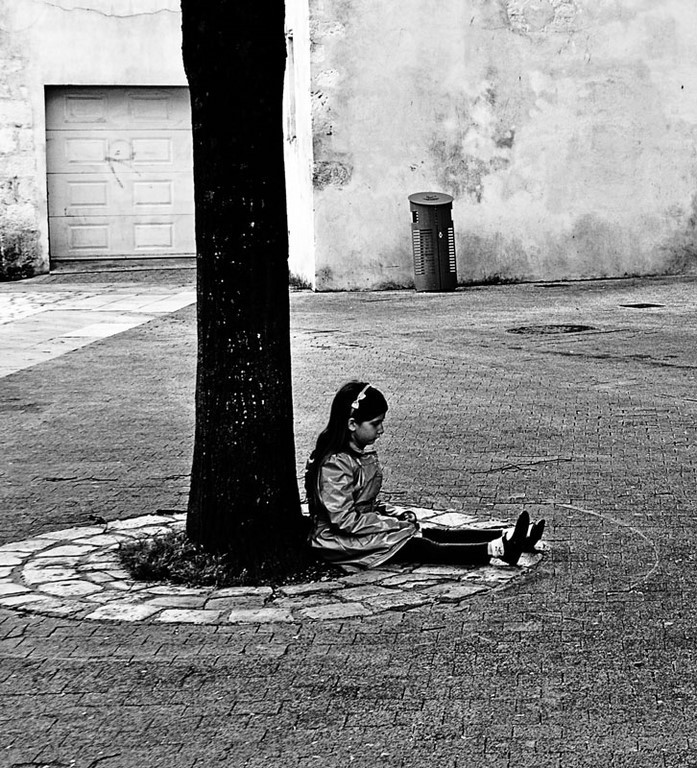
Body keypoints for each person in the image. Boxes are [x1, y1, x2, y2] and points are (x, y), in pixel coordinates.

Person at [304, 381, 545, 573]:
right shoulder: (335, 465)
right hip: (341, 541)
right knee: (421, 546)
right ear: (352, 424)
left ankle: (512, 536)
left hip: (361, 529)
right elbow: (343, 520)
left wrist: (395, 515)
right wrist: (392, 524)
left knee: (431, 531)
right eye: (375, 424)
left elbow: (365, 504)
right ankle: (497, 549)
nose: (381, 430)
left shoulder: (354, 456)